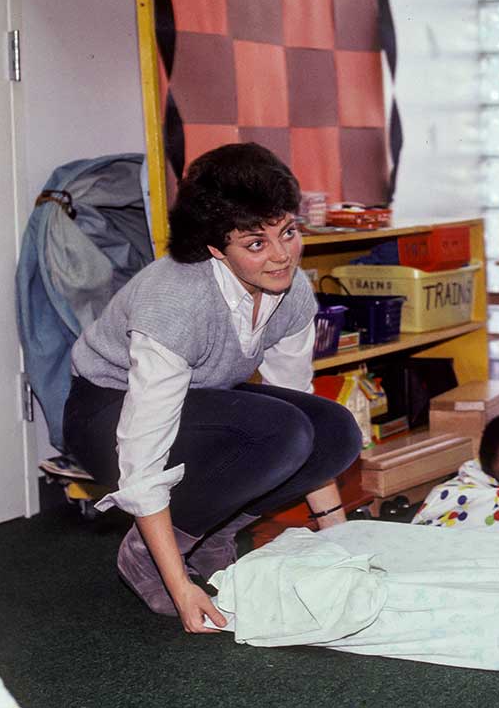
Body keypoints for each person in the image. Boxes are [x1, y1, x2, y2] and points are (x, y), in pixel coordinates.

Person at [63, 142, 363, 635]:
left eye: (288, 232)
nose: (281, 256)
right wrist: (178, 585)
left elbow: (302, 405)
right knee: (280, 432)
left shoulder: (291, 290)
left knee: (334, 430)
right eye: (256, 244)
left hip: (196, 401)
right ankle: (148, 555)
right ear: (215, 248)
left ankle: (211, 531)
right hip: (106, 411)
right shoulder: (176, 299)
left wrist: (341, 543)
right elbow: (142, 451)